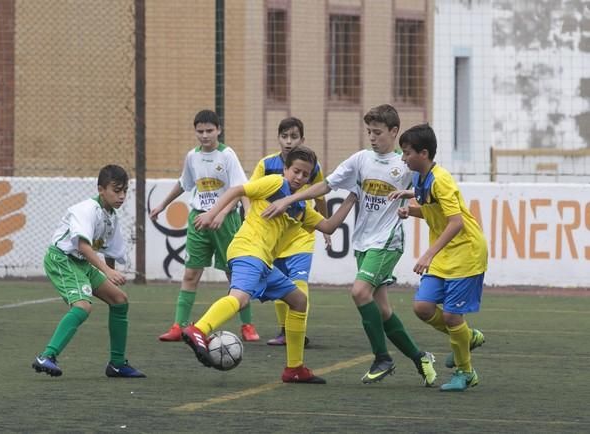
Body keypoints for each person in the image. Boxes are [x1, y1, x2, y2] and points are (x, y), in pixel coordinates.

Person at [261, 105, 437, 387]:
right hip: (363, 242)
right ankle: (420, 358)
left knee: (358, 291)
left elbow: (428, 191)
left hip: (387, 242)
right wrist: (288, 200)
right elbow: (325, 185)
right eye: (369, 131)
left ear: (394, 132)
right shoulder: (360, 160)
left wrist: (412, 204)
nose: (372, 137)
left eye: (378, 132)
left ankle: (382, 358)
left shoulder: (405, 164)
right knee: (382, 311)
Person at [184, 145, 357, 384]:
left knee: (298, 300)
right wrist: (213, 213)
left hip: (265, 261)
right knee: (241, 297)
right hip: (248, 250)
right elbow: (237, 190)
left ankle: (294, 368)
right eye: (296, 171)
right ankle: (199, 329)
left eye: (306, 175)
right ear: (286, 169)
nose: (299, 177)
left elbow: (328, 226)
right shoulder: (275, 183)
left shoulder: (300, 207)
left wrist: (352, 197)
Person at [391, 123, 487, 392]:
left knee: (452, 317)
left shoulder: (441, 179)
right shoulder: (421, 177)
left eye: (406, 152)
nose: (402, 157)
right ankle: (468, 338)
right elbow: (434, 211)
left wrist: (428, 253)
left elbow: (455, 222)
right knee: (423, 307)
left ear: (423, 153)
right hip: (445, 253)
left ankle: (465, 372)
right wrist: (411, 210)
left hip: (465, 252)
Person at [151, 109, 260, 342]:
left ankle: (247, 325)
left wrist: (222, 213)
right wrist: (162, 205)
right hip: (199, 220)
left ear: (218, 130)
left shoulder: (228, 155)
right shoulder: (192, 157)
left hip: (225, 221)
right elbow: (184, 184)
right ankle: (178, 326)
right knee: (191, 273)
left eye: (209, 130)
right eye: (200, 131)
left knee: (235, 275)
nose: (204, 135)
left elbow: (240, 190)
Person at [32, 164, 145, 378]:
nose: (121, 196)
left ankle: (117, 364)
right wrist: (107, 272)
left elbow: (108, 250)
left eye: (124, 191)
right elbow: (83, 245)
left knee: (120, 300)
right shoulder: (87, 210)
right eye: (116, 190)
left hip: (81, 263)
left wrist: (109, 274)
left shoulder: (111, 217)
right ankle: (47, 356)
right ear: (101, 189)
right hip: (62, 259)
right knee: (83, 306)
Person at [250, 117, 330, 346]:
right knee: (279, 285)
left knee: (298, 283)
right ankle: (285, 332)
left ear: (302, 139)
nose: (288, 141)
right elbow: (248, 192)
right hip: (275, 236)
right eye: (284, 136)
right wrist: (249, 217)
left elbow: (320, 196)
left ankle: (299, 332)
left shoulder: (313, 167)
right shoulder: (266, 165)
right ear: (278, 138)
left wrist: (325, 228)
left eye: (293, 137)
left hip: (301, 234)